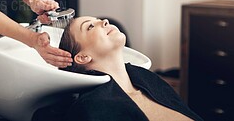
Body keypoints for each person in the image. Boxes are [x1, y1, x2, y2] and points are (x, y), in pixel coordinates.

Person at [52, 17, 203, 121]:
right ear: (83, 57)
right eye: (90, 26)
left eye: (99, 21)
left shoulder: (150, 80)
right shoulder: (93, 107)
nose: (104, 21)